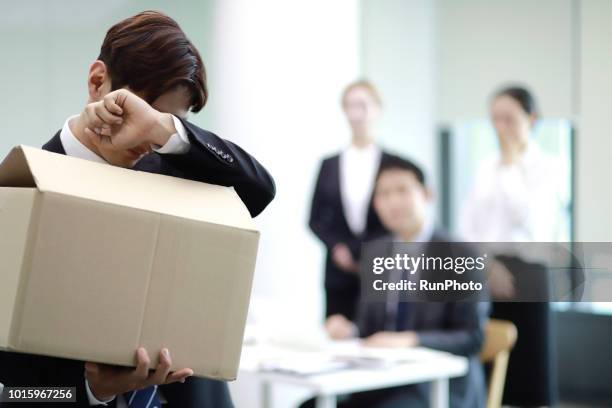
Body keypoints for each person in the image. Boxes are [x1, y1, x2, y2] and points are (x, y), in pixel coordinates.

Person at [0, 11, 275, 408]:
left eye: (168, 118)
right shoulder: (21, 193)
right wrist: (93, 391)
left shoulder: (170, 168)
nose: (145, 135)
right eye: (145, 106)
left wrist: (165, 129)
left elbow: (260, 188)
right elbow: (16, 394)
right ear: (98, 82)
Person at [308, 155, 489, 408]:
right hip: (382, 381)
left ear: (427, 194)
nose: (392, 201)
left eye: (402, 190)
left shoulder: (461, 254)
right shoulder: (377, 253)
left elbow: (473, 337)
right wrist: (351, 330)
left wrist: (410, 339)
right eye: (383, 194)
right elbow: (370, 326)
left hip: (438, 386)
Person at [460, 85, 561, 406]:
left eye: (509, 119)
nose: (500, 128)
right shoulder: (484, 167)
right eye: (494, 120)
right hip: (489, 271)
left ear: (531, 119)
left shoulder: (547, 167)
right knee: (489, 364)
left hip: (528, 273)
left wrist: (511, 165)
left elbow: (528, 218)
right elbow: (469, 226)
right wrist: (487, 266)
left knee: (529, 370)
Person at [309, 80, 397, 322]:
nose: (356, 114)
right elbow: (315, 219)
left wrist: (362, 251)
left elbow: (395, 219)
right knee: (337, 332)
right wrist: (337, 247)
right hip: (337, 271)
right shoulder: (329, 165)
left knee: (379, 332)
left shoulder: (392, 165)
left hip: (378, 265)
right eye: (349, 106)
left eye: (362, 105)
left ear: (377, 109)